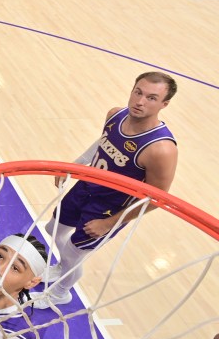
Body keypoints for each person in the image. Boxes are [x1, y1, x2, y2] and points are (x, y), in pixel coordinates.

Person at [36, 72, 178, 309]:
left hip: (108, 209)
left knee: (74, 251)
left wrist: (111, 222)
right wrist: (74, 165)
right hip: (86, 186)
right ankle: (63, 268)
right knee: (52, 229)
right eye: (138, 92)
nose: (140, 101)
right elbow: (102, 142)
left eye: (152, 98)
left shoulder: (161, 149)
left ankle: (62, 291)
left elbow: (156, 199)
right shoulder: (116, 114)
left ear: (164, 104)